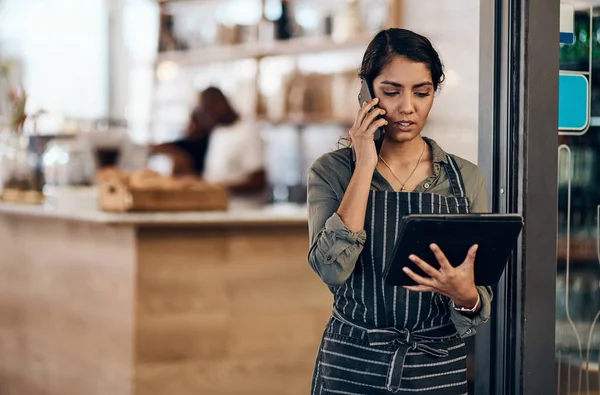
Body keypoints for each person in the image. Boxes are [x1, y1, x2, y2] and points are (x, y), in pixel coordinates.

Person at [307, 28, 492, 394]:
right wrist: (364, 166)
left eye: (421, 93)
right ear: (367, 93)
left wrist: (465, 295)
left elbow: (478, 298)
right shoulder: (332, 171)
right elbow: (331, 269)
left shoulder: (464, 178)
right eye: (391, 92)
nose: (407, 107)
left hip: (435, 366)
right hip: (352, 363)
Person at [151, 87, 266, 194]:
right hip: (217, 209)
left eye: (207, 111)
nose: (205, 117)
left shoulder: (249, 133)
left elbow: (258, 181)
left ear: (219, 104)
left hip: (244, 210)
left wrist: (215, 187)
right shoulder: (217, 132)